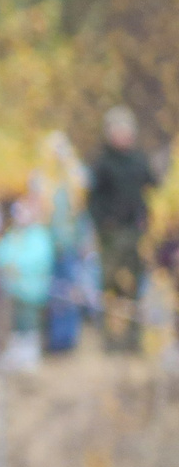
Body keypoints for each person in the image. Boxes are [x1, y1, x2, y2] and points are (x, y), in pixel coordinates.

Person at [90, 106, 156, 354]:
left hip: (136, 233)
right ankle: (111, 341)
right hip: (112, 235)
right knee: (111, 287)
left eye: (126, 130)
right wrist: (103, 224)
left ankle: (133, 340)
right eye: (118, 130)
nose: (123, 135)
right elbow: (93, 200)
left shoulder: (140, 160)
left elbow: (153, 189)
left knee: (135, 286)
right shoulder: (103, 163)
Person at [0, 194, 55, 373]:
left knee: (28, 325)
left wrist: (17, 265)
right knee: (13, 327)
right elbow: (0, 253)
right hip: (11, 290)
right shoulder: (13, 234)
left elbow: (40, 259)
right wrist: (5, 263)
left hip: (31, 291)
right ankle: (14, 357)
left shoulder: (40, 235)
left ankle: (28, 359)